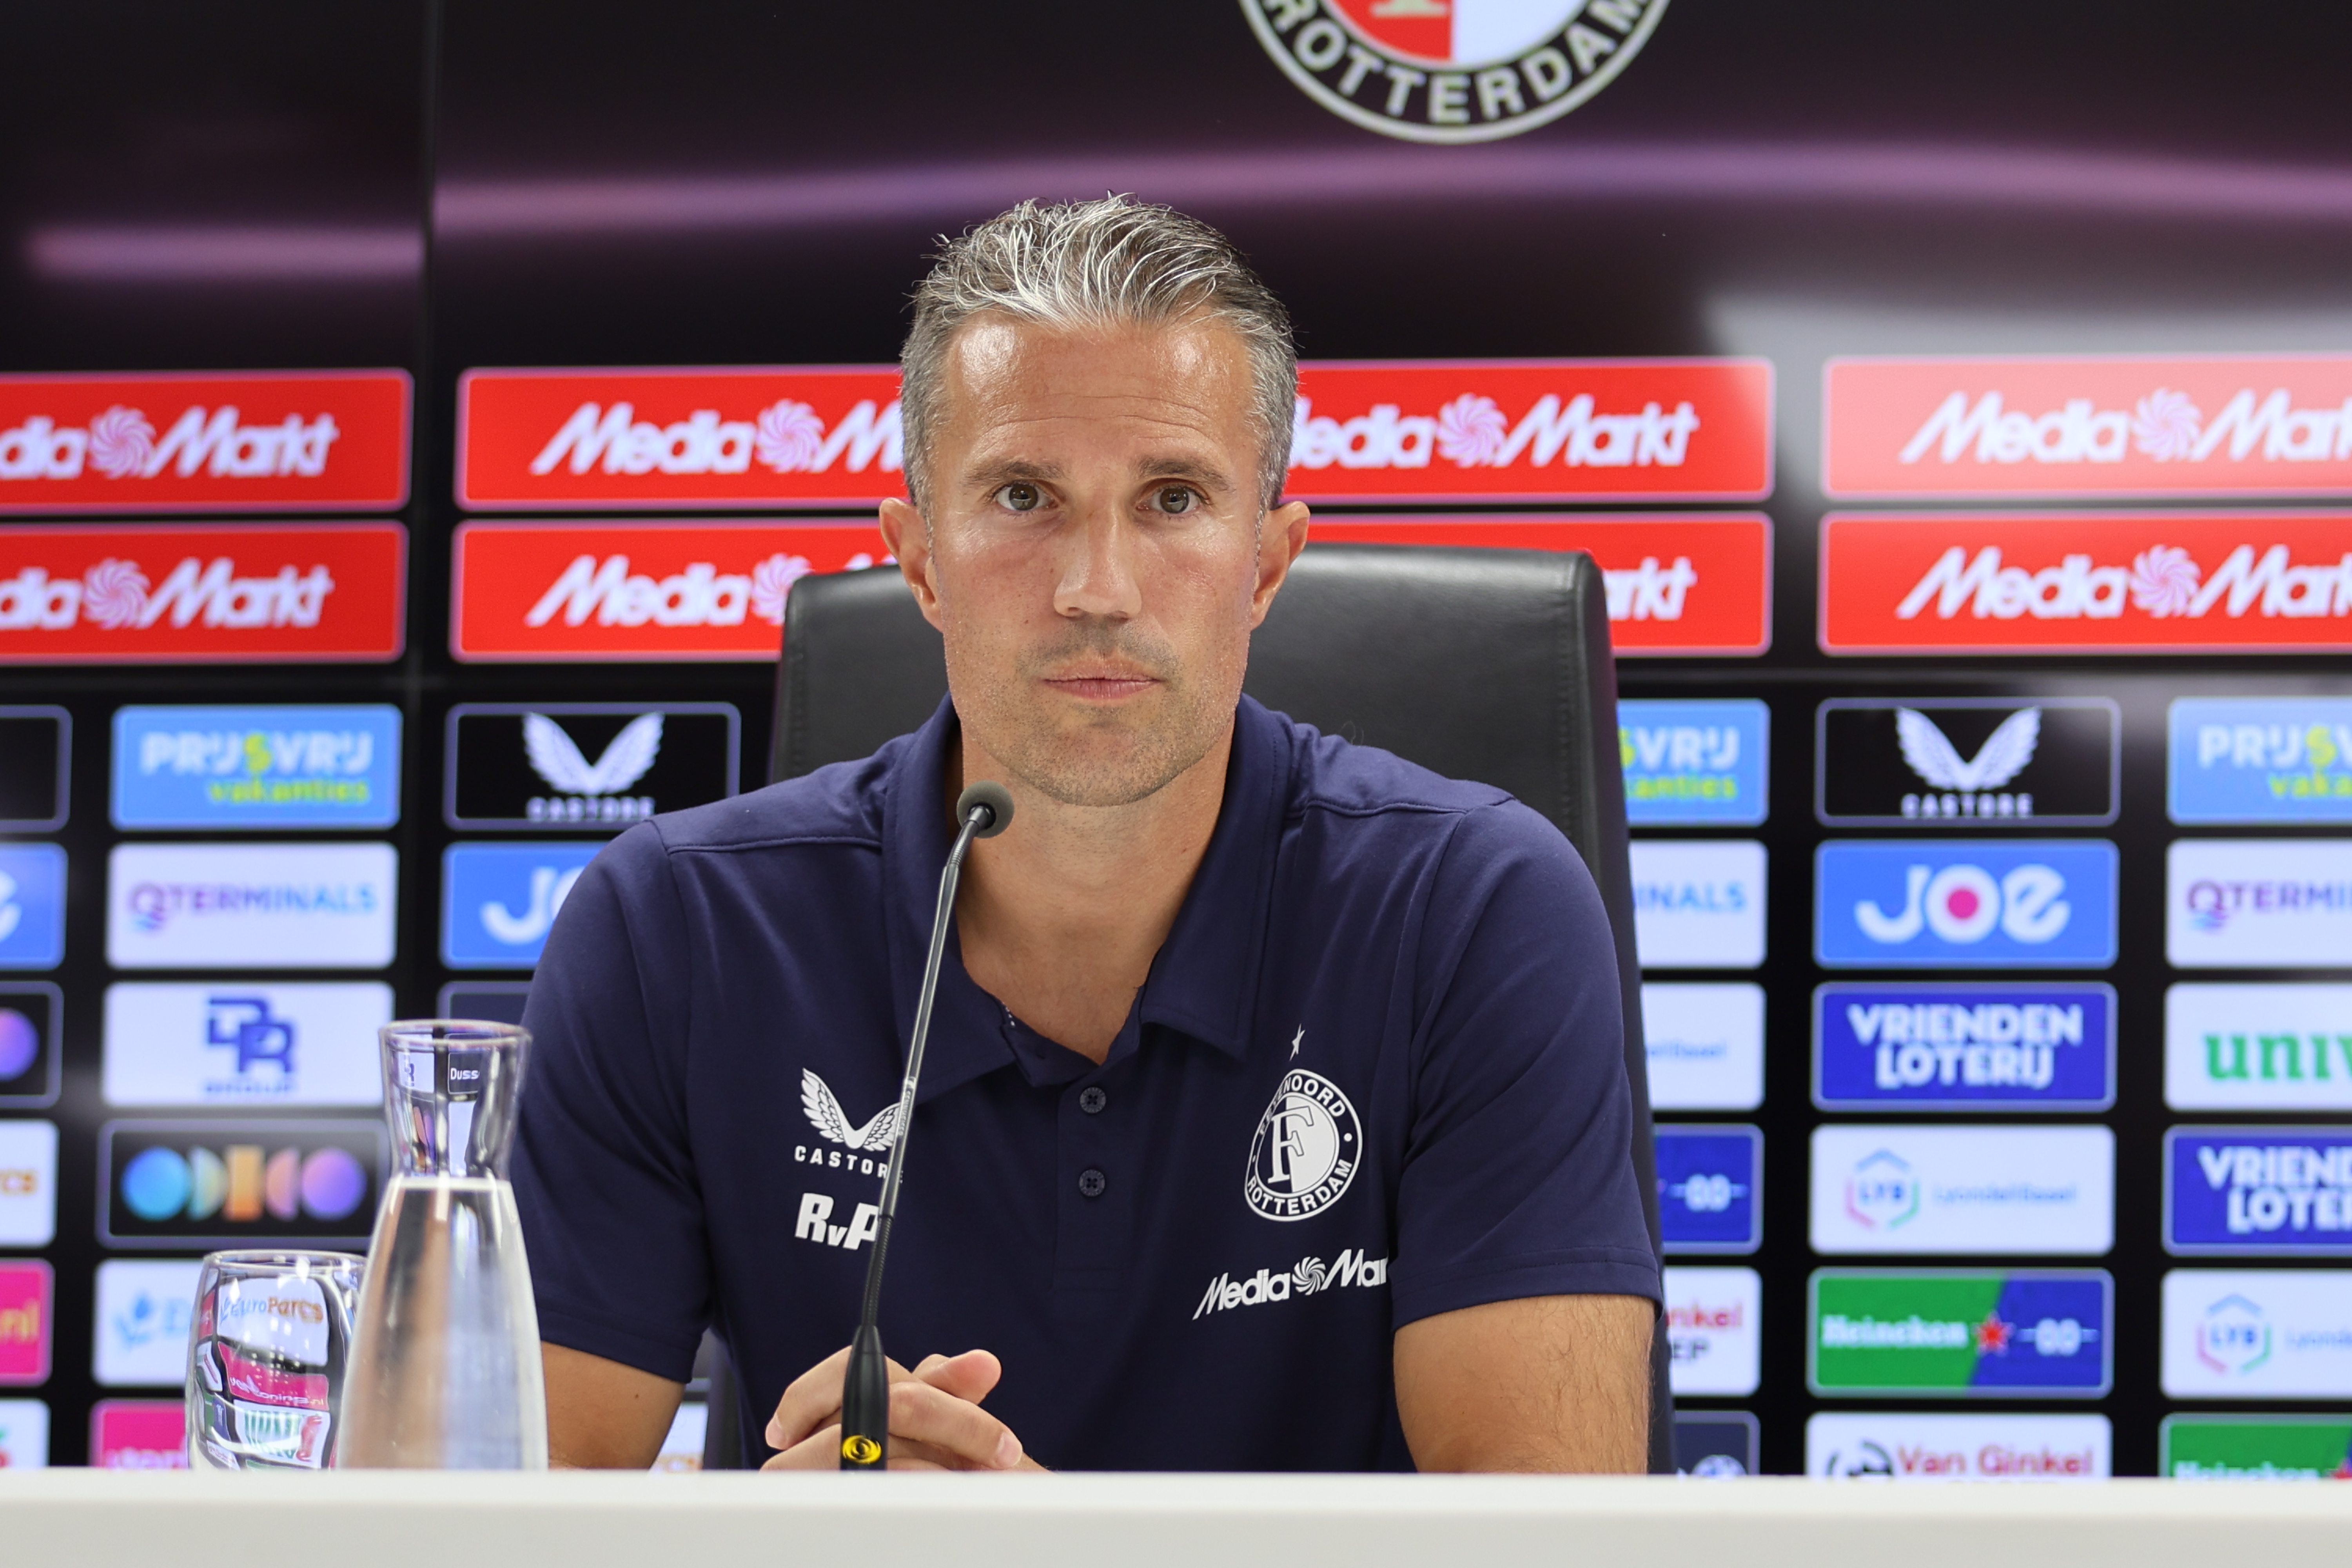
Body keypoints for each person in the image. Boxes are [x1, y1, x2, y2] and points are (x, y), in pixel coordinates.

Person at [515, 195, 1659, 1474]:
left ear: (1268, 565)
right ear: (922, 562)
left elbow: (1549, 1544)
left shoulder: (1472, 912)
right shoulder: (672, 928)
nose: (1097, 591)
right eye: (1023, 496)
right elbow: (490, 1538)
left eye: (1173, 499)